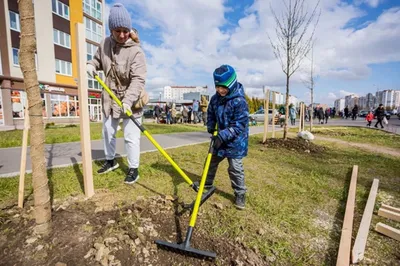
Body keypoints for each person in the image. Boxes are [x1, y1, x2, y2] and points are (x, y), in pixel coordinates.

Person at [86, 3, 147, 184]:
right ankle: (110, 161)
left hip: (132, 101)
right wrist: (91, 65)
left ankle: (133, 168)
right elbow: (97, 60)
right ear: (111, 29)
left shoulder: (136, 51)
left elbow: (138, 80)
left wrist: (128, 100)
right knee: (108, 131)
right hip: (110, 99)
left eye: (125, 31)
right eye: (117, 30)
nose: (121, 35)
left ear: (129, 30)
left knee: (131, 136)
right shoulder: (104, 43)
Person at [205, 65, 249, 210]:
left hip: (235, 141)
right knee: (211, 160)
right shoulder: (215, 99)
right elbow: (211, 113)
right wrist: (211, 126)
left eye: (223, 87)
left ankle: (240, 193)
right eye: (217, 87)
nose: (219, 90)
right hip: (221, 138)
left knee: (235, 168)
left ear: (231, 84)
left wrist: (223, 136)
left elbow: (238, 126)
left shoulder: (240, 102)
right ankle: (207, 183)